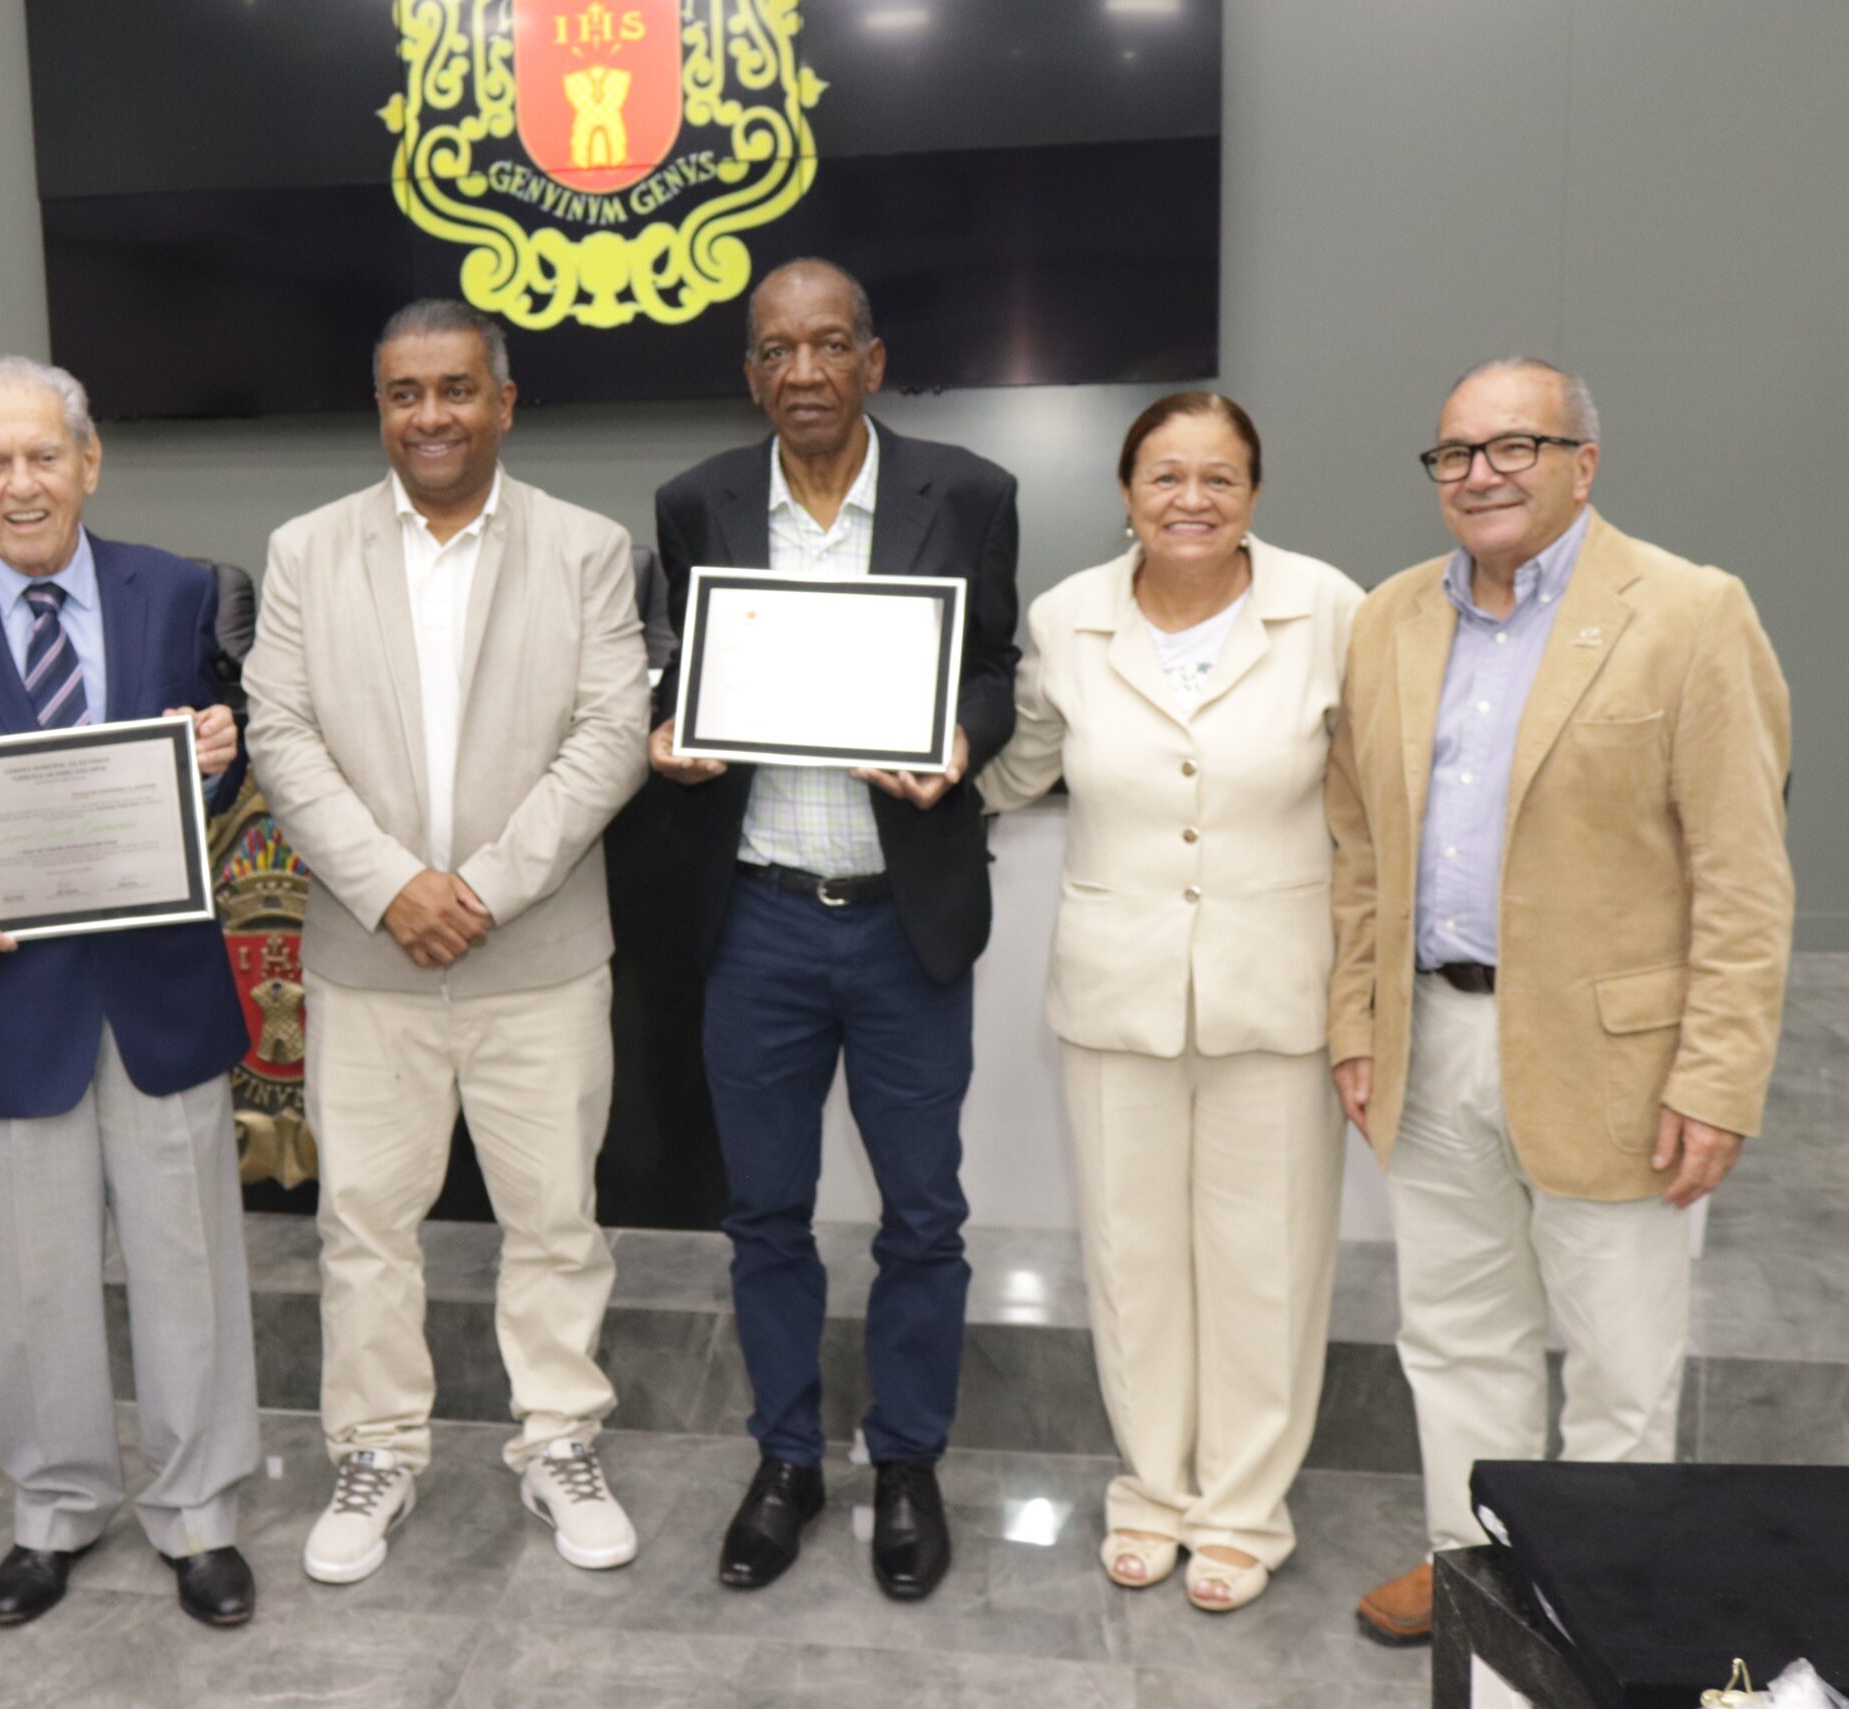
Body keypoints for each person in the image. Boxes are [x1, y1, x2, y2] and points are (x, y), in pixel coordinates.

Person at [1329, 359, 1793, 1644]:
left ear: (1582, 463)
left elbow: (1742, 870)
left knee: (1618, 1364)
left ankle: (1601, 1608)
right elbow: (1358, 845)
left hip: (1614, 1062)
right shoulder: (1387, 619)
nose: (1478, 473)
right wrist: (1355, 1022)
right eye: (1454, 452)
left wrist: (1717, 1075)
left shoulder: (1689, 611)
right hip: (1427, 1038)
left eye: (1513, 446)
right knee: (1454, 1336)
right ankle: (1474, 1570)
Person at [243, 299, 651, 1585]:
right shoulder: (305, 551)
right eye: (405, 392)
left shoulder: (586, 549)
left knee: (556, 1218)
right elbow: (279, 736)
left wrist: (475, 890)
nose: (432, 414)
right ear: (382, 409)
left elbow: (611, 736)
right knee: (364, 1223)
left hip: (537, 956)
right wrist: (390, 889)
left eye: (457, 389)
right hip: (369, 960)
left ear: (504, 402)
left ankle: (559, 1439)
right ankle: (374, 1450)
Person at [0, 357, 260, 1631]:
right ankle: (55, 1509)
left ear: (90, 462)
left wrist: (216, 756)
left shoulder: (177, 590)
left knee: (189, 1265)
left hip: (156, 997)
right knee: (27, 1282)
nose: (22, 483)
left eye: (45, 455)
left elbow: (202, 763)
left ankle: (198, 1511)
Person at [649, 258, 1021, 1601]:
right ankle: (788, 1458)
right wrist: (670, 729)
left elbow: (995, 666)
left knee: (922, 1213)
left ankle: (907, 1460)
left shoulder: (967, 492)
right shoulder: (695, 502)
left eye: (825, 345)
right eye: (774, 350)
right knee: (765, 1213)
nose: (800, 371)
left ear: (872, 360)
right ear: (750, 372)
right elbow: (679, 666)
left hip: (900, 925)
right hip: (757, 920)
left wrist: (961, 741)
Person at [978, 393, 1362, 1613]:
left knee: (1266, 1263)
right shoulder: (1068, 615)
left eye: (1218, 476)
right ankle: (1151, 1490)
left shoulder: (1328, 609)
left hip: (1276, 989)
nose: (1190, 498)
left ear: (1254, 490)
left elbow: (1371, 799)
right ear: (1125, 489)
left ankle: (1243, 1510)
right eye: (1164, 475)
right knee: (1130, 1259)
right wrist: (907, 758)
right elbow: (1019, 763)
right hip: (1116, 990)